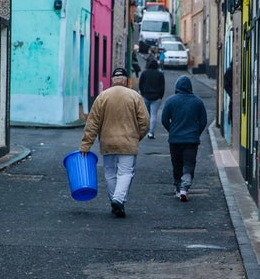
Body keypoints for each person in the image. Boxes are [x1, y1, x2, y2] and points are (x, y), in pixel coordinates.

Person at [80, 67, 150, 217]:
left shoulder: (102, 96)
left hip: (107, 142)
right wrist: (137, 137)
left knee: (110, 173)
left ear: (112, 80)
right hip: (128, 142)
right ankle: (118, 200)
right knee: (125, 173)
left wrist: (86, 145)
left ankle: (114, 200)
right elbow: (144, 122)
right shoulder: (134, 96)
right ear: (126, 80)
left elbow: (92, 123)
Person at [161, 75, 208, 202]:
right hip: (191, 140)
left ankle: (177, 187)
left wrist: (172, 130)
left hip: (175, 140)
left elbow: (164, 119)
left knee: (177, 164)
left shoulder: (170, 101)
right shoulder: (198, 102)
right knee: (189, 164)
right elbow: (203, 121)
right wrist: (196, 133)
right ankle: (184, 188)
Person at [138, 59, 166, 139]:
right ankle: (151, 132)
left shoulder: (144, 73)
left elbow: (141, 84)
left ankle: (144, 130)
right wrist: (160, 96)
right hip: (156, 97)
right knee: (153, 115)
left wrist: (143, 93)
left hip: (146, 96)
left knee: (146, 115)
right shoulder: (160, 74)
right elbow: (162, 87)